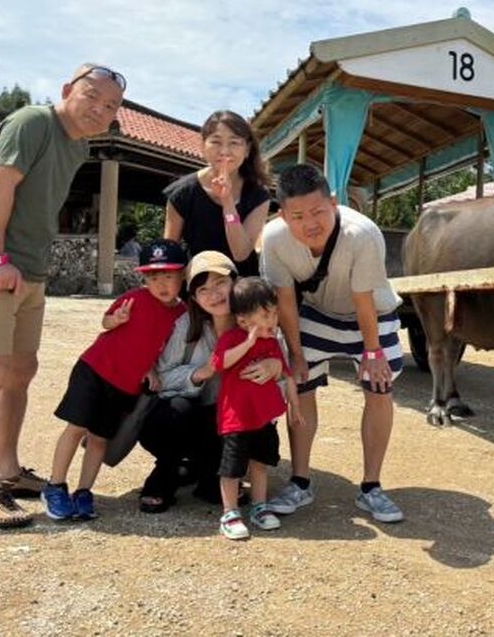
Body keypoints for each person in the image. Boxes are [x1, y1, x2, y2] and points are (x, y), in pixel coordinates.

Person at [0, 63, 125, 529]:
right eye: (92, 96)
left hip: (31, 272)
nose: (100, 109)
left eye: (110, 106)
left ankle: (8, 469)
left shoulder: (80, 144)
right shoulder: (32, 122)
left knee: (21, 369)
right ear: (68, 90)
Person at [261, 163, 405, 524]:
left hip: (371, 313)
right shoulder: (275, 240)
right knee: (301, 385)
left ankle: (371, 486)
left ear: (335, 203)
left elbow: (363, 298)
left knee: (379, 388)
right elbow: (286, 301)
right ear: (283, 215)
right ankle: (301, 480)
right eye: (298, 216)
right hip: (317, 313)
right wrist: (295, 355)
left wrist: (372, 352)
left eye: (318, 212)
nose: (310, 223)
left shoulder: (363, 234)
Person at [41, 240, 187, 521]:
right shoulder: (134, 298)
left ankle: (84, 491)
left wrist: (151, 369)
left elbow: (163, 349)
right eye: (154, 278)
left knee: (99, 438)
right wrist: (116, 319)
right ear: (144, 279)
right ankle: (55, 485)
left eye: (169, 276)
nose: (162, 284)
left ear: (182, 276)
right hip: (95, 370)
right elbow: (105, 322)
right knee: (76, 428)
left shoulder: (181, 314)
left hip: (126, 385)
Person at [136, 251, 284, 513]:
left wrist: (275, 368)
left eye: (220, 283)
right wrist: (200, 372)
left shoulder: (261, 320)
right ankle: (165, 475)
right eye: (203, 289)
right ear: (194, 297)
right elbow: (163, 376)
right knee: (175, 411)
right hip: (188, 415)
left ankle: (207, 476)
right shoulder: (187, 325)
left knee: (220, 471)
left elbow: (280, 370)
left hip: (230, 423)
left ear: (235, 283)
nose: (213, 295)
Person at [212, 277, 303, 540]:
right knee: (232, 468)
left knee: (260, 463)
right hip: (236, 418)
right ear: (242, 320)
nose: (273, 320)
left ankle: (259, 506)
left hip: (265, 418)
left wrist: (294, 407)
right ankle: (229, 513)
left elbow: (286, 376)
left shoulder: (274, 343)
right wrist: (247, 345)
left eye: (274, 313)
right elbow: (220, 363)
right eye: (266, 314)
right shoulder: (231, 339)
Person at [163, 110, 271, 276]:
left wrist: (227, 202)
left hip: (242, 286)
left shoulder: (258, 195)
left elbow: (240, 253)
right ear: (203, 146)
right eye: (216, 142)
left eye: (234, 143)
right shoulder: (181, 193)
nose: (224, 151)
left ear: (247, 149)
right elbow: (169, 253)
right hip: (199, 285)